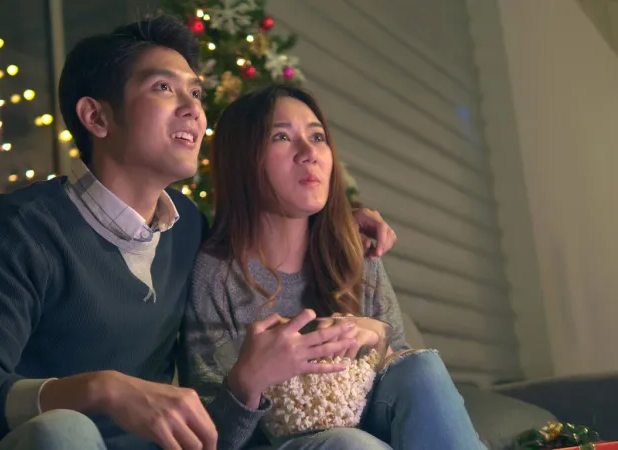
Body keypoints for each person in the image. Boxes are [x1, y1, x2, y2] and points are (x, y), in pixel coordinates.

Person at [0, 15, 397, 450]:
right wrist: (100, 389)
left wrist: (337, 220)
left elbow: (261, 241)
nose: (193, 108)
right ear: (97, 117)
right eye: (164, 88)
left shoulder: (188, 230)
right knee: (66, 429)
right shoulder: (16, 230)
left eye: (196, 93)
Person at [178, 84, 484, 450]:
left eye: (317, 136)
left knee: (423, 368)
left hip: (371, 430)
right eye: (281, 137)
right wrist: (248, 381)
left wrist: (376, 334)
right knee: (349, 444)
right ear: (243, 158)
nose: (310, 153)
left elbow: (405, 382)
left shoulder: (352, 254)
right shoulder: (215, 274)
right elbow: (209, 438)